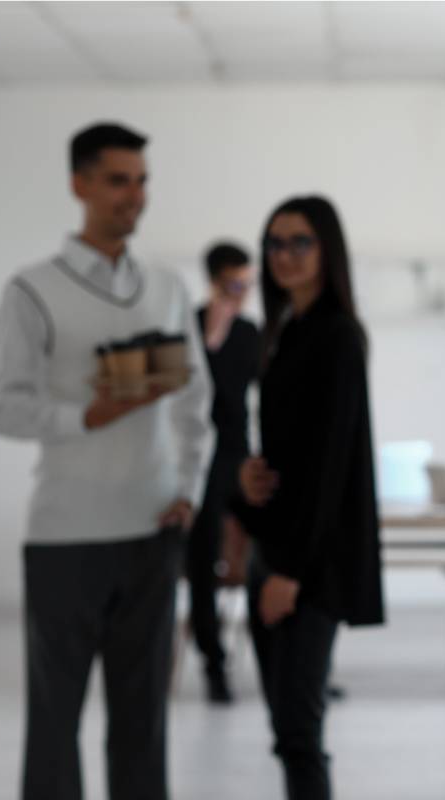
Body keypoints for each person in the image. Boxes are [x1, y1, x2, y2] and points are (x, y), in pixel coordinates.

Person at [0, 122, 213, 800]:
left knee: (143, 722)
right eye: (118, 180)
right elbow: (2, 408)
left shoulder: (167, 288)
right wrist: (86, 415)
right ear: (78, 184)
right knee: (55, 722)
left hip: (153, 531)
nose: (134, 196)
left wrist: (189, 491)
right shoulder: (31, 290)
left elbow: (196, 403)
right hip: (66, 538)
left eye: (141, 181)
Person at [232, 195, 383, 800]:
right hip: (275, 548)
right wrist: (248, 476)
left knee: (298, 733)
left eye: (300, 242)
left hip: (306, 565)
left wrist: (289, 572)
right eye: (274, 243)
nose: (285, 255)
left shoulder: (337, 335)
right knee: (287, 729)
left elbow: (330, 465)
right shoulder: (286, 330)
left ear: (327, 251)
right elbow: (291, 448)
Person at [185, 241, 260, 704]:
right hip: (200, 461)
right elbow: (186, 394)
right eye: (234, 284)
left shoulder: (250, 332)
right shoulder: (191, 326)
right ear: (214, 282)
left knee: (274, 547)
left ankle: (293, 662)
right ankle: (213, 662)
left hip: (240, 456)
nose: (243, 293)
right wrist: (210, 340)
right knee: (201, 558)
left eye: (248, 284)